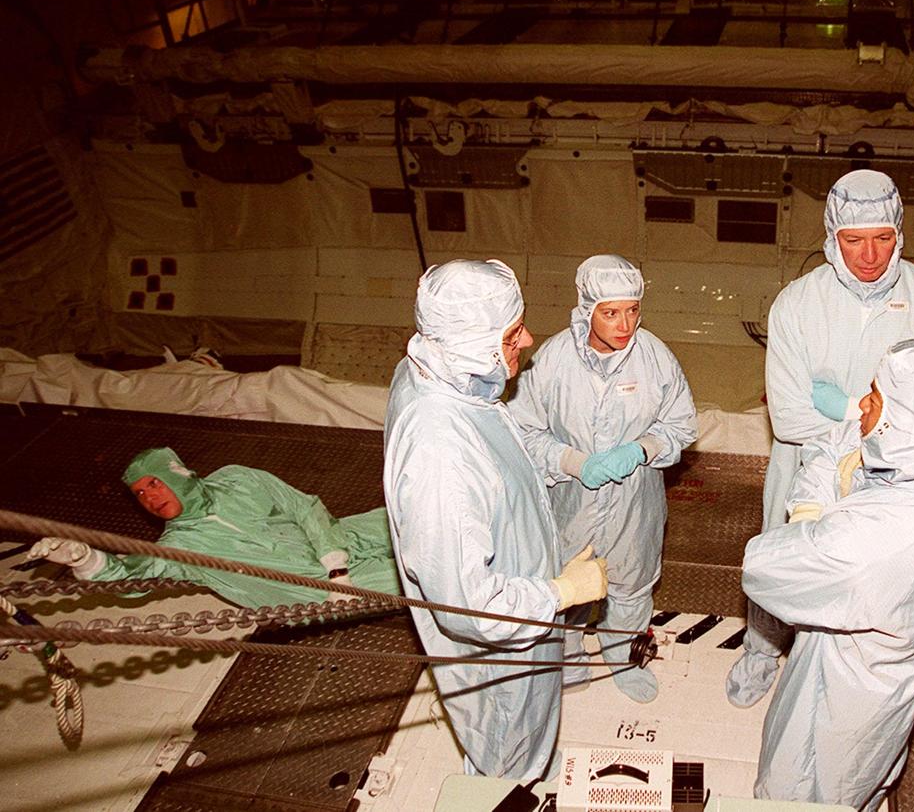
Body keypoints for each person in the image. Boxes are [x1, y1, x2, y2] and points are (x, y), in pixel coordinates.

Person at [727, 168, 914, 708]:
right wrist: (876, 409)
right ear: (831, 236)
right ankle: (761, 652)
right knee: (783, 563)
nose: (869, 255)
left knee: (874, 585)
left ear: (900, 234)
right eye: (853, 240)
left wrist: (837, 401)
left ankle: (851, 680)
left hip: (894, 482)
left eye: (883, 238)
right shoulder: (796, 304)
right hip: (802, 467)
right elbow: (789, 419)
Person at [383, 258, 608, 781]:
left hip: (522, 598)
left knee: (531, 735)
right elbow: (470, 609)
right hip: (501, 653)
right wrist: (561, 592)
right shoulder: (440, 453)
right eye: (512, 334)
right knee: (508, 752)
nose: (527, 340)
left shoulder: (442, 375)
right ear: (472, 343)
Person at [743, 338, 914, 808]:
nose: (862, 405)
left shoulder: (872, 540)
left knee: (803, 787)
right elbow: (841, 443)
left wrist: (810, 514)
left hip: (846, 679)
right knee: (865, 777)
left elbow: (764, 566)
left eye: (875, 397)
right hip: (890, 663)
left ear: (905, 421)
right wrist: (832, 488)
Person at [508, 254, 697, 703]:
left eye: (632, 310)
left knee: (632, 586)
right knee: (568, 584)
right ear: (586, 309)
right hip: (570, 501)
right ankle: (567, 657)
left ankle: (623, 658)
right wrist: (574, 462)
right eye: (610, 312)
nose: (624, 324)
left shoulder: (655, 357)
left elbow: (682, 424)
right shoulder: (552, 360)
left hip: (636, 503)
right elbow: (522, 432)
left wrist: (642, 449)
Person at [27, 447, 401, 605]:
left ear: (177, 473)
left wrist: (337, 565)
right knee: (431, 577)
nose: (150, 498)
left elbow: (304, 508)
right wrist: (86, 560)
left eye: (154, 483)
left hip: (335, 541)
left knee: (419, 517)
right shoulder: (179, 546)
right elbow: (129, 575)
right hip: (317, 588)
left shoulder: (237, 479)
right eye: (139, 494)